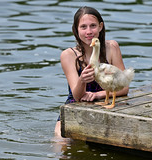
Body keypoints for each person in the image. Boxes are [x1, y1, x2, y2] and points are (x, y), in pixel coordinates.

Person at [55, 6, 129, 137]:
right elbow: (77, 96)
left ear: (100, 26)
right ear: (76, 30)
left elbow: (124, 88)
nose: (89, 31)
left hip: (105, 104)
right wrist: (82, 80)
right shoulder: (68, 55)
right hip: (75, 107)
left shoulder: (112, 47)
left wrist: (98, 95)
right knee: (61, 143)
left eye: (93, 26)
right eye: (83, 27)